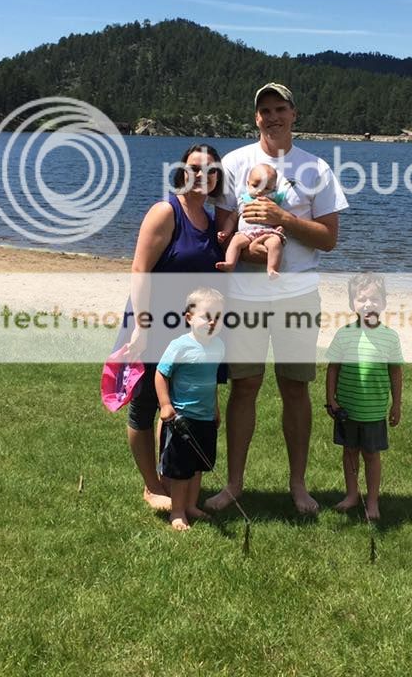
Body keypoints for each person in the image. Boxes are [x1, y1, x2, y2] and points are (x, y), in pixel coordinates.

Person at [206, 82, 348, 515]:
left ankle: (298, 485)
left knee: (295, 387)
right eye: (265, 110)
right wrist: (249, 250)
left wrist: (283, 218)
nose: (273, 117)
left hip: (297, 295)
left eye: (280, 108)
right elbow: (224, 231)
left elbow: (329, 239)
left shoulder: (316, 168)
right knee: (244, 386)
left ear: (294, 114)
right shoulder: (235, 163)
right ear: (256, 118)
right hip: (245, 296)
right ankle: (234, 485)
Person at [118, 144, 223, 511]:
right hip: (154, 321)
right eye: (195, 168)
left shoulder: (211, 220)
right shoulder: (166, 211)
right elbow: (139, 268)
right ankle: (151, 486)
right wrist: (141, 325)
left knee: (176, 404)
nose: (202, 175)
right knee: (146, 403)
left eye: (211, 170)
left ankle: (169, 479)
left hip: (191, 332)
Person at [325, 274, 403, 520]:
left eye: (374, 299)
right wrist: (331, 400)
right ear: (352, 304)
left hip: (374, 410)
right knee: (350, 452)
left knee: (371, 455)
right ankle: (351, 494)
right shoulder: (344, 334)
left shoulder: (390, 337)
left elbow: (395, 372)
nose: (368, 304)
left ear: (384, 303)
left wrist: (396, 404)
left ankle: (372, 501)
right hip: (347, 409)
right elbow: (333, 368)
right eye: (362, 299)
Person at [155, 287, 225, 531]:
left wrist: (216, 408)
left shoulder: (218, 346)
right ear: (189, 318)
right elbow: (161, 374)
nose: (213, 322)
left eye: (218, 317)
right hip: (182, 418)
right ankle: (177, 511)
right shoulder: (180, 346)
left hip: (205, 418)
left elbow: (212, 381)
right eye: (207, 316)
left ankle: (192, 506)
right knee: (181, 468)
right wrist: (166, 405)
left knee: (198, 466)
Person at [215, 162, 286, 279]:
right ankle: (230, 263)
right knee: (235, 241)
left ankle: (272, 269)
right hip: (246, 233)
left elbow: (281, 216)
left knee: (275, 243)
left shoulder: (273, 201)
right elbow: (232, 218)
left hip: (268, 232)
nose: (260, 191)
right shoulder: (243, 200)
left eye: (266, 188)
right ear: (248, 184)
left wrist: (281, 227)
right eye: (255, 185)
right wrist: (226, 232)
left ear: (274, 188)